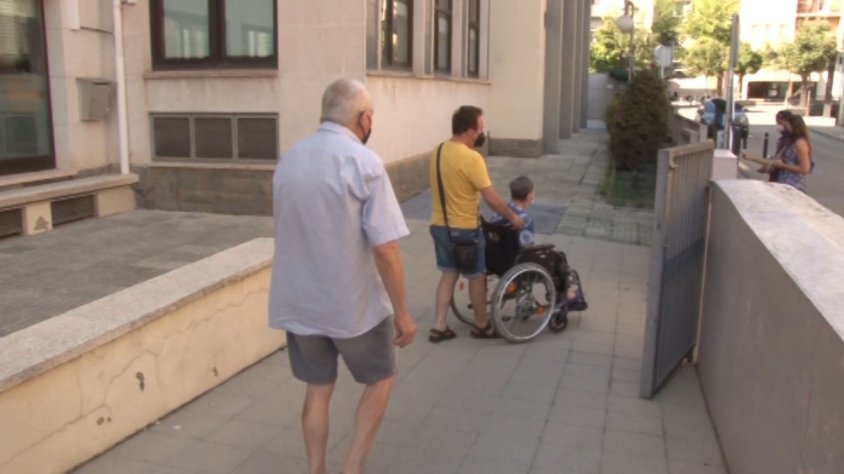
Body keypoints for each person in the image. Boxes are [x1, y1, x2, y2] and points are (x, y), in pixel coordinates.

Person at [269, 78, 417, 474]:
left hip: (300, 301)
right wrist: (403, 313)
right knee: (382, 378)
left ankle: (315, 469)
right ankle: (352, 468)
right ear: (364, 119)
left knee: (318, 388)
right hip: (353, 304)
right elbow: (386, 248)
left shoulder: (290, 159)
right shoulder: (364, 163)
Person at [428, 105, 522, 342]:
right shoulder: (472, 158)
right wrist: (513, 217)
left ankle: (439, 327)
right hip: (465, 230)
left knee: (448, 274)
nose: (482, 133)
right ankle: (481, 325)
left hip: (439, 225)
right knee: (476, 277)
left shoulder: (438, 150)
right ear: (469, 131)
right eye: (480, 128)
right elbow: (491, 199)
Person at [742, 114, 812, 192]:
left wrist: (781, 165)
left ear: (794, 127)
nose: (785, 129)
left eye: (787, 126)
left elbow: (805, 169)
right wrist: (751, 158)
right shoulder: (790, 142)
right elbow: (774, 161)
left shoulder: (800, 143)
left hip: (793, 184)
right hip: (783, 182)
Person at [490, 175, 536, 248]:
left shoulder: (499, 212)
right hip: (514, 254)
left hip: (495, 252)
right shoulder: (526, 220)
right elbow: (528, 247)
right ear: (529, 196)